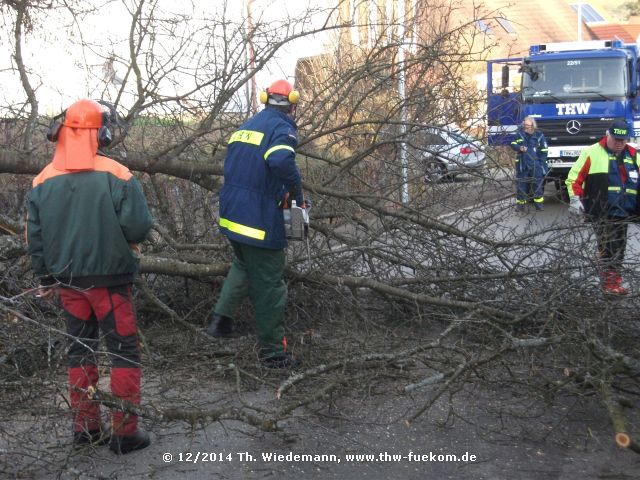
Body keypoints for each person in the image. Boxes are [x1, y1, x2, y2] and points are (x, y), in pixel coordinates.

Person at [26, 99, 154, 453]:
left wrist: (45, 279)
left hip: (67, 282)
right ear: (103, 133)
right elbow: (139, 227)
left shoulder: (41, 180)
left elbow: (34, 238)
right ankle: (125, 433)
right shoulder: (117, 174)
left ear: (62, 131)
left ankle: (85, 427)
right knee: (124, 352)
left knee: (79, 352)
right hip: (111, 281)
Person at [206, 79, 306, 369]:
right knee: (270, 284)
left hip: (232, 215)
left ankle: (219, 322)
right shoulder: (281, 128)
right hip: (259, 220)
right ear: (292, 103)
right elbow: (280, 162)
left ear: (265, 99)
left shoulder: (244, 128)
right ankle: (273, 353)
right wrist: (297, 195)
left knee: (243, 265)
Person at [566, 119, 639, 296]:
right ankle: (610, 284)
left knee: (618, 246)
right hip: (602, 210)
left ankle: (610, 278)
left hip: (625, 210)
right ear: (608, 135)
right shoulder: (592, 153)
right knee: (612, 247)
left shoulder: (633, 154)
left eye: (623, 140)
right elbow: (574, 179)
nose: (619, 144)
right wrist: (575, 200)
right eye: (616, 140)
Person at [510, 116, 549, 212]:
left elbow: (544, 150)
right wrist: (519, 148)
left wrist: (540, 163)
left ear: (532, 125)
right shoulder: (519, 134)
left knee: (538, 185)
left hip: (536, 164)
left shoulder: (539, 135)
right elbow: (512, 144)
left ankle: (539, 205)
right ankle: (520, 206)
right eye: (525, 124)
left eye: (528, 125)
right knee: (521, 185)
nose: (526, 126)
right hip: (522, 164)